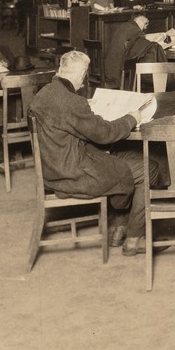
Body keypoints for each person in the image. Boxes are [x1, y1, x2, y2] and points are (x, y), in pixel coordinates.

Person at [28, 50, 164, 256]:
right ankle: (135, 239)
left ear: (60, 70)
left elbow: (67, 121)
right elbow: (105, 134)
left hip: (57, 165)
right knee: (149, 168)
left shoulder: (45, 93)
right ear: (82, 74)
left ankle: (118, 231)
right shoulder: (72, 102)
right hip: (73, 174)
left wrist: (86, 111)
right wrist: (132, 118)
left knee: (124, 158)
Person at [103, 11, 151, 86]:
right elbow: (144, 48)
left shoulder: (124, 26)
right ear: (140, 20)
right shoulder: (136, 30)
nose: (146, 27)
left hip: (109, 69)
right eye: (146, 23)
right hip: (119, 73)